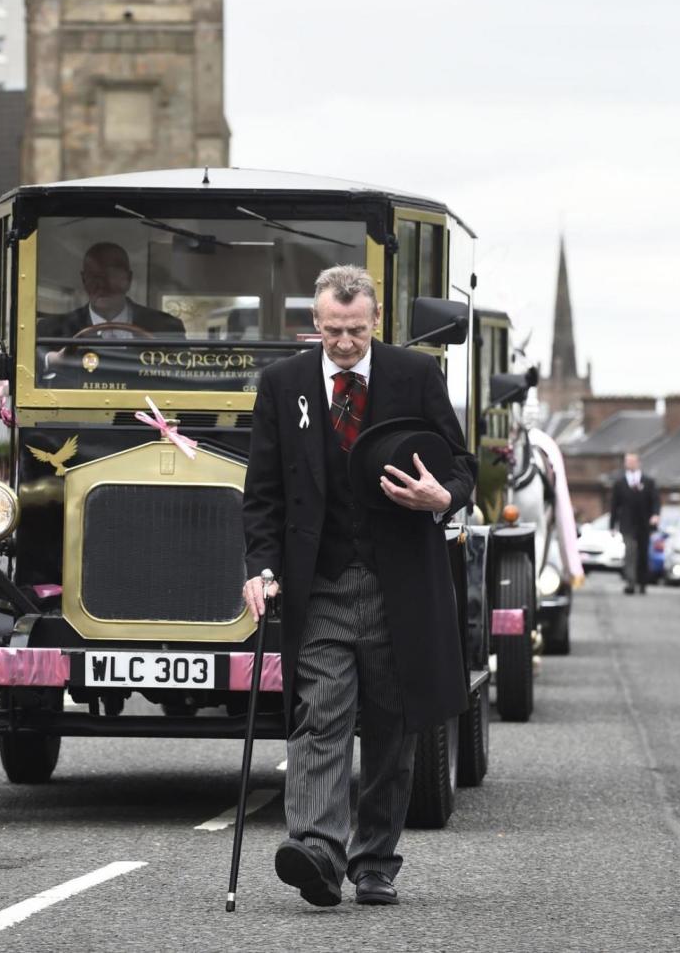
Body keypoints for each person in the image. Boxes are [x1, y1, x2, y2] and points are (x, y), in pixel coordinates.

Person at [242, 264, 477, 909]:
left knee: (391, 728)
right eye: (333, 330)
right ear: (315, 324)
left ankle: (375, 860)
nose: (345, 342)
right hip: (317, 584)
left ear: (376, 321)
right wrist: (259, 569)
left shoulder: (415, 376)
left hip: (398, 585)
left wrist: (442, 495)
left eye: (356, 329)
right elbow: (262, 495)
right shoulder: (281, 384)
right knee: (320, 715)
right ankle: (317, 850)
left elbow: (462, 465)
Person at [40, 241, 185, 362]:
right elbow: (32, 367)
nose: (102, 285)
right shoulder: (53, 330)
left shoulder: (168, 328)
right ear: (84, 280)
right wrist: (52, 360)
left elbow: (183, 374)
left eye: (112, 275)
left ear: (128, 279)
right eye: (94, 276)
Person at [609, 452, 660, 594]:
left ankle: (642, 582)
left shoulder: (648, 482)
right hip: (627, 524)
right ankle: (630, 582)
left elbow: (655, 500)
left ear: (638, 463)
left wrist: (655, 515)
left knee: (643, 553)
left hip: (644, 523)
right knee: (630, 552)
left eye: (632, 461)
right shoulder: (620, 483)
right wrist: (612, 525)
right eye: (627, 461)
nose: (629, 464)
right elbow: (614, 506)